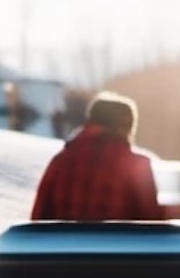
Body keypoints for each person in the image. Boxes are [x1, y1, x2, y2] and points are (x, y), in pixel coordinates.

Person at [30, 90, 164, 221]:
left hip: (64, 243)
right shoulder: (136, 167)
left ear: (90, 122)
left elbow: (37, 223)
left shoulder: (60, 162)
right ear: (126, 129)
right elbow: (153, 229)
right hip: (116, 243)